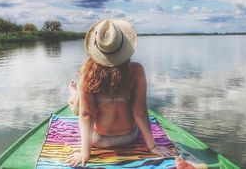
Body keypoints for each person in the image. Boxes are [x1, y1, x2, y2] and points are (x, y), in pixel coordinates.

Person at [67, 19, 175, 167]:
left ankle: (74, 93)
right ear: (124, 47)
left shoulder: (87, 73)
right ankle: (75, 93)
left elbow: (86, 114)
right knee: (78, 100)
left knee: (76, 106)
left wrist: (85, 153)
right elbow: (140, 112)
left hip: (98, 141)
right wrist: (152, 147)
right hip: (129, 137)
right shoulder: (136, 71)